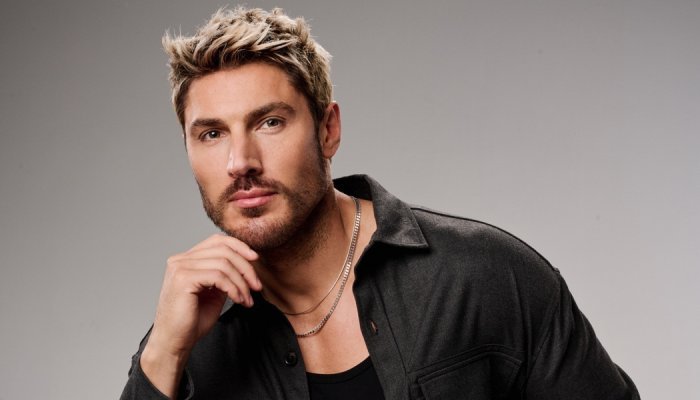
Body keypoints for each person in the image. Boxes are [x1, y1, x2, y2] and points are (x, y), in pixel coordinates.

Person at [120, 7, 639, 400]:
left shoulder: (487, 277)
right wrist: (163, 353)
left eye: (270, 122)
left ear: (328, 130)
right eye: (211, 134)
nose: (240, 161)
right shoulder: (187, 340)